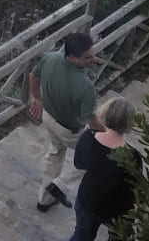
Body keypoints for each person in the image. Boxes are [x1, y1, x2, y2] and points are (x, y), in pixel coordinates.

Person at [28, 31, 101, 212]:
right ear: (71, 57)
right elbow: (92, 121)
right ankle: (60, 185)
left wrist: (37, 98)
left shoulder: (50, 58)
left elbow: (33, 76)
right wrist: (107, 136)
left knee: (55, 155)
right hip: (70, 131)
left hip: (48, 117)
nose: (92, 60)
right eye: (87, 58)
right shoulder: (85, 87)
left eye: (92, 55)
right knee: (95, 157)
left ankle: (44, 200)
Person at [70, 98, 143, 241]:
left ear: (105, 113)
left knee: (81, 236)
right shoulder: (132, 156)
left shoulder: (89, 137)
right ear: (129, 122)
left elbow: (79, 163)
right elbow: (134, 189)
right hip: (116, 210)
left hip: (88, 199)